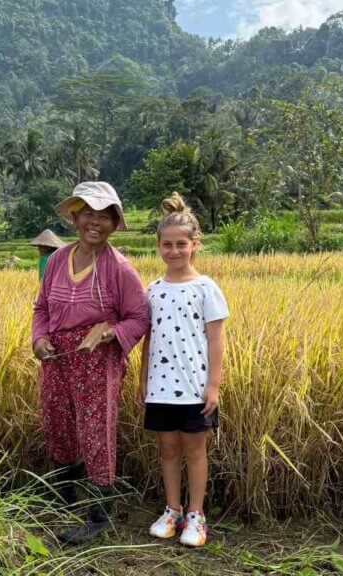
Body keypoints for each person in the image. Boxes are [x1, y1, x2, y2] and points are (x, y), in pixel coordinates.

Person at [31, 182, 149, 545]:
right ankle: (63, 495)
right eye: (87, 214)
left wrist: (111, 332)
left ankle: (99, 513)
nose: (95, 223)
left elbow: (140, 317)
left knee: (96, 429)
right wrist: (39, 338)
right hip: (57, 357)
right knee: (57, 421)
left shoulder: (119, 268)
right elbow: (41, 308)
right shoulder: (56, 261)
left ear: (114, 224)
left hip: (97, 359)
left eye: (104, 217)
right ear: (74, 218)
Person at [140, 192, 228, 548]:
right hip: (161, 387)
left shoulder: (206, 288)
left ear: (195, 244)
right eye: (167, 244)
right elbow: (148, 340)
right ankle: (172, 510)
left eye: (181, 244)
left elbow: (216, 340)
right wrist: (144, 380)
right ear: (158, 247)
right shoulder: (152, 290)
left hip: (194, 388)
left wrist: (214, 385)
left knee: (194, 451)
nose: (174, 251)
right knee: (168, 450)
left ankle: (196, 515)